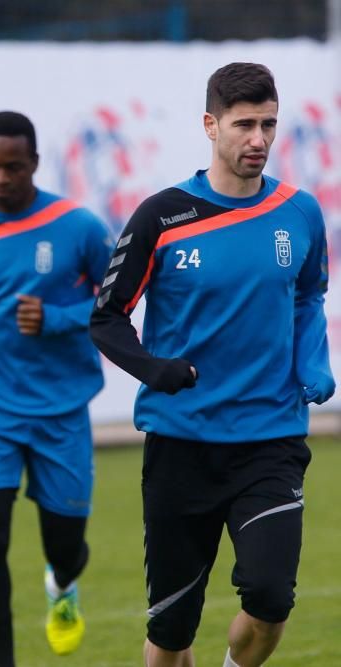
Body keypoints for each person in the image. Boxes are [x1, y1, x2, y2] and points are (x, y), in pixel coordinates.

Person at [90, 62, 334, 667]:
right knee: (171, 633)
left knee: (272, 600)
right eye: (244, 124)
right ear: (210, 125)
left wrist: (313, 358)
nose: (258, 139)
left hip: (270, 439)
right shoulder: (161, 216)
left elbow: (308, 294)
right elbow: (106, 316)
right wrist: (154, 369)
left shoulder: (300, 213)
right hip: (182, 444)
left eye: (269, 125)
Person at [0, 111, 112, 666]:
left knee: (66, 549)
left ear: (35, 164)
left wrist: (59, 317)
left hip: (62, 412)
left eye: (13, 167)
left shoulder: (79, 227)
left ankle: (63, 584)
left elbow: (120, 300)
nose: (0, 178)